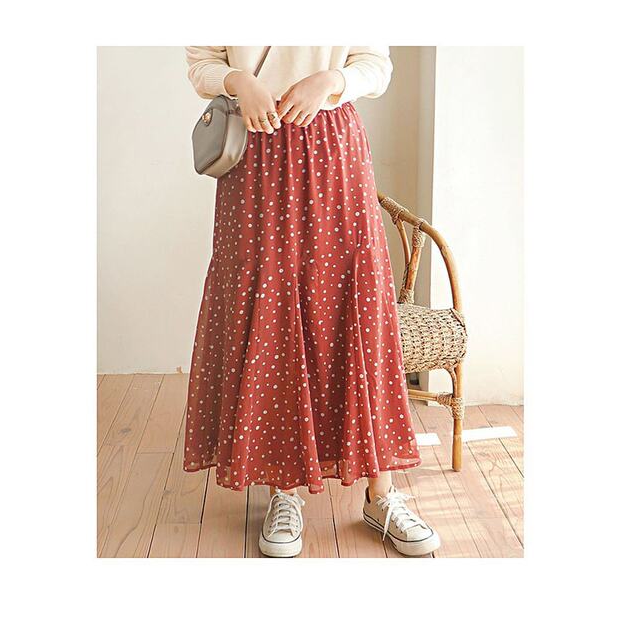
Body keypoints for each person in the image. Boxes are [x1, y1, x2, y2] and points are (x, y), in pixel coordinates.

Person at [183, 46, 440, 558]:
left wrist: (331, 81)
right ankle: (284, 490)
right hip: (252, 153)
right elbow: (200, 63)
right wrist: (239, 81)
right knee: (269, 314)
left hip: (332, 148)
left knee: (355, 309)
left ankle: (382, 492)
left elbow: (375, 65)